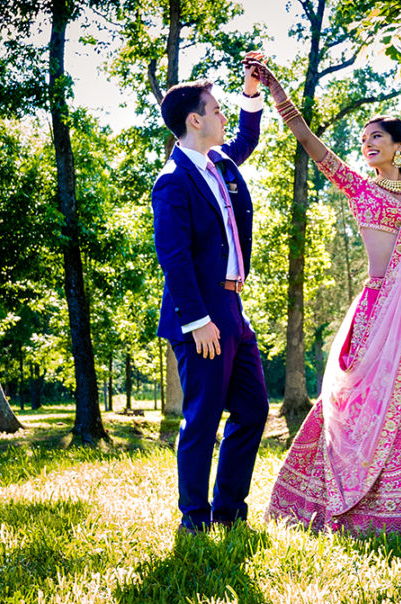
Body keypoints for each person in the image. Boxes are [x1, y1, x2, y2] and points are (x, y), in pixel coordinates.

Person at [249, 60, 401, 535]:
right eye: (364, 139)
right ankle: (342, 499)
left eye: (376, 136)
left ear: (400, 147)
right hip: (375, 312)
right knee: (358, 403)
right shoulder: (360, 190)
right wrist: (275, 90)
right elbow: (311, 144)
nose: (367, 144)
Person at [152, 56, 269, 534]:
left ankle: (229, 510)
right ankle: (194, 519)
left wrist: (250, 91)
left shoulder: (219, 162)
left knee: (253, 408)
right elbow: (174, 257)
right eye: (217, 109)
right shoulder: (172, 181)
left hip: (233, 308)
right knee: (202, 417)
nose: (224, 117)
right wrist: (197, 320)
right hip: (200, 310)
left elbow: (247, 138)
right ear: (194, 120)